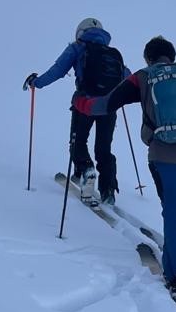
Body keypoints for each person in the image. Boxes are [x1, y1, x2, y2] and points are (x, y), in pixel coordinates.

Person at [75, 36, 176, 293]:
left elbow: (104, 106)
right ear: (172, 55)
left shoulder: (143, 77)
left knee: (171, 205)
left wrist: (79, 101)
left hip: (163, 153)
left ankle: (175, 271)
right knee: (175, 198)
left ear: (148, 58)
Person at [23, 18, 125, 205]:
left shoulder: (78, 47)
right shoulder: (113, 54)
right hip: (109, 106)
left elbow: (58, 70)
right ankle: (108, 190)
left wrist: (36, 82)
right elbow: (127, 78)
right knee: (104, 149)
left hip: (84, 103)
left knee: (77, 141)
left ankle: (86, 170)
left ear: (80, 32)